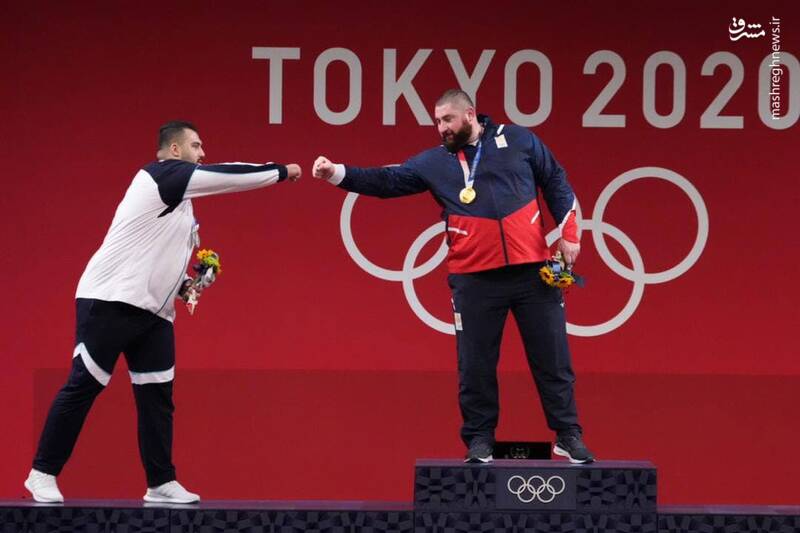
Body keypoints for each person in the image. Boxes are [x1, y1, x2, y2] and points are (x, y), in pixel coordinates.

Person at [24, 121, 302, 503]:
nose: (203, 153)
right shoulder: (161, 176)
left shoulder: (181, 204)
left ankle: (160, 483)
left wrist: (189, 285)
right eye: (196, 145)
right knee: (85, 384)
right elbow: (227, 176)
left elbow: (157, 256)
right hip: (111, 300)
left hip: (154, 313)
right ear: (174, 150)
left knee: (157, 398)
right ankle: (42, 473)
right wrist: (280, 171)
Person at [312, 89, 593, 464]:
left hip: (533, 271)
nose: (441, 127)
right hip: (473, 279)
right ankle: (480, 439)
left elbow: (556, 180)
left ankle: (568, 434)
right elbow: (386, 181)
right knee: (475, 365)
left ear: (470, 115)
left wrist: (570, 234)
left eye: (447, 119)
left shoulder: (519, 140)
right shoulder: (434, 162)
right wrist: (335, 173)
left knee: (553, 358)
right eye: (437, 121)